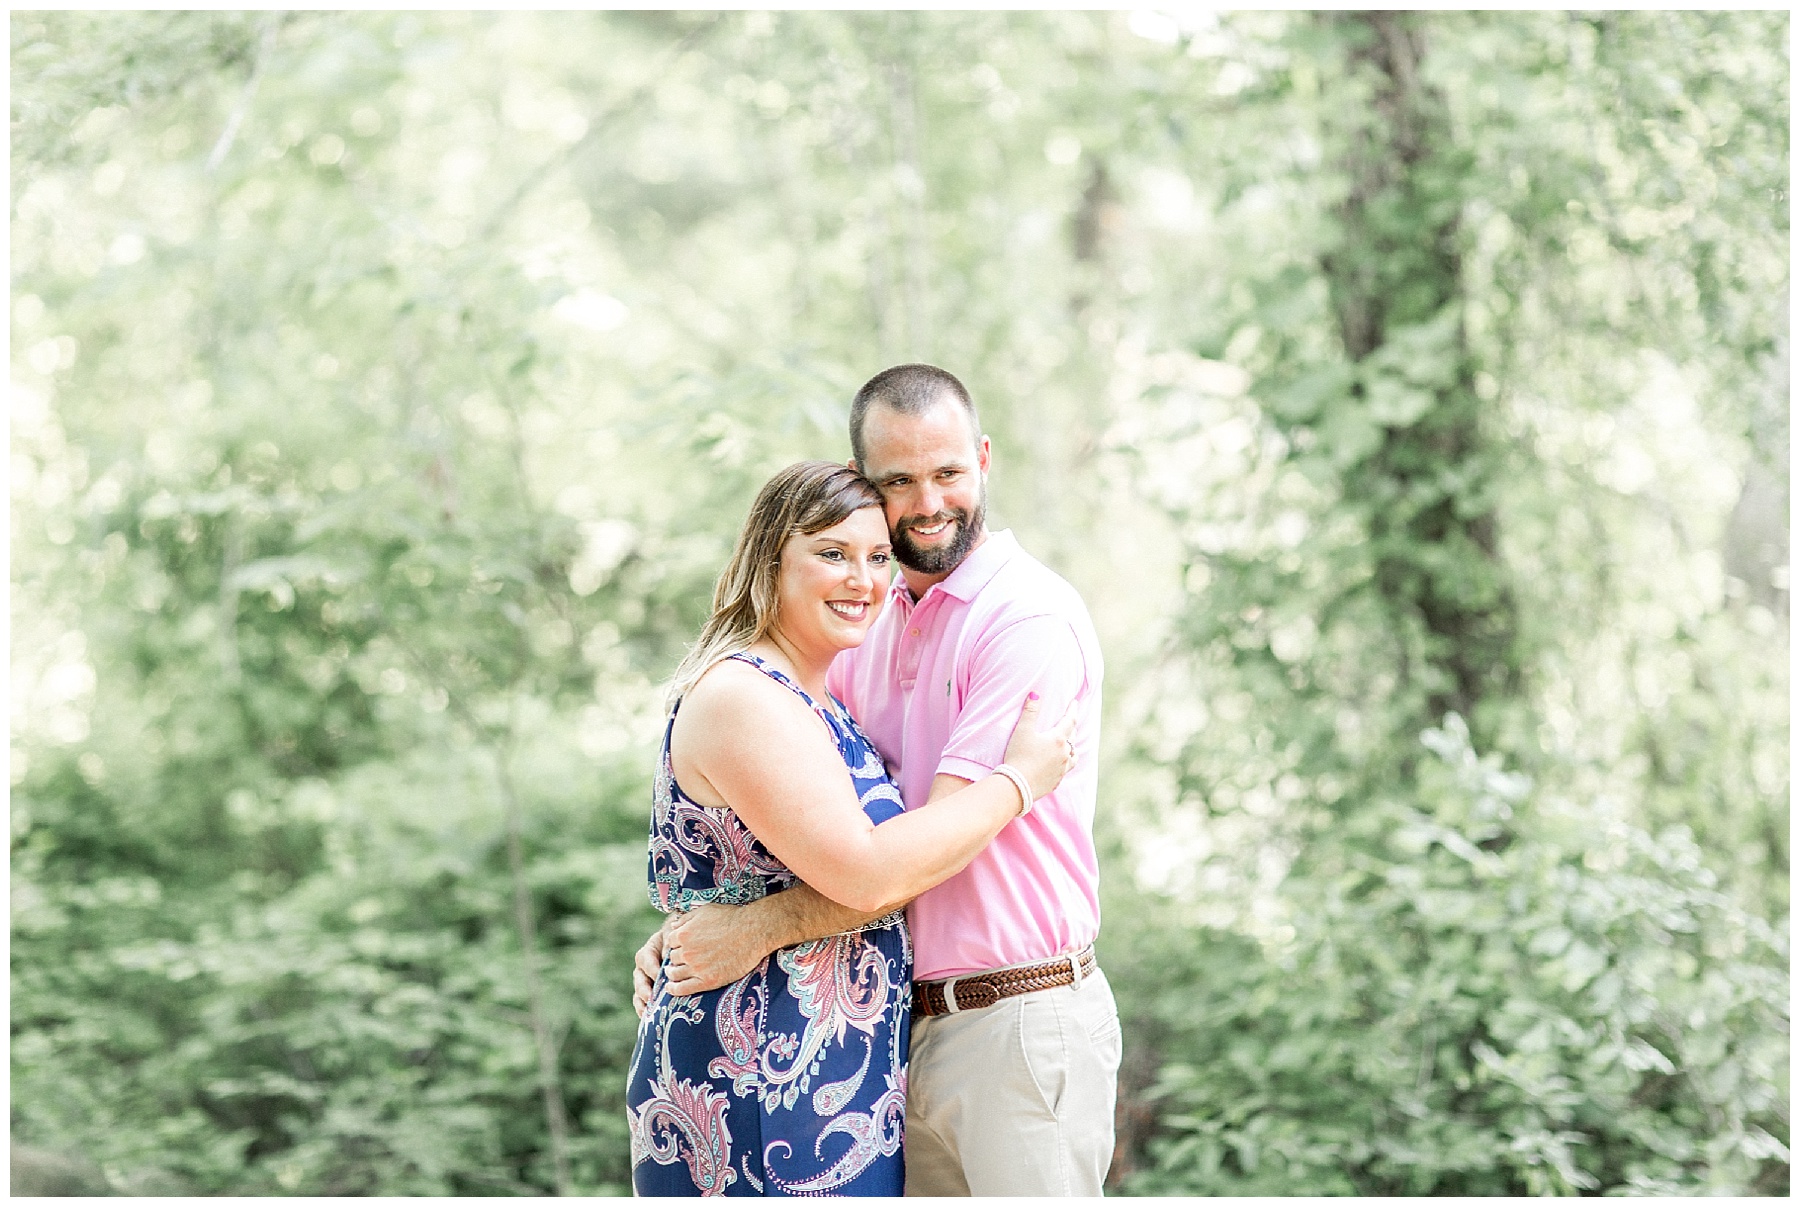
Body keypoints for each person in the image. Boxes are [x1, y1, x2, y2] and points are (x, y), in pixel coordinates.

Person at [634, 365, 1121, 1196]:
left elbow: (910, 856)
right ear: (867, 484)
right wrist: (704, 916)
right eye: (899, 481)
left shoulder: (1023, 619)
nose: (928, 502)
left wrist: (753, 928)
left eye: (948, 473)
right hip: (887, 1039)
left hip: (1013, 1024)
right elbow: (802, 828)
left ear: (984, 460)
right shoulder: (868, 629)